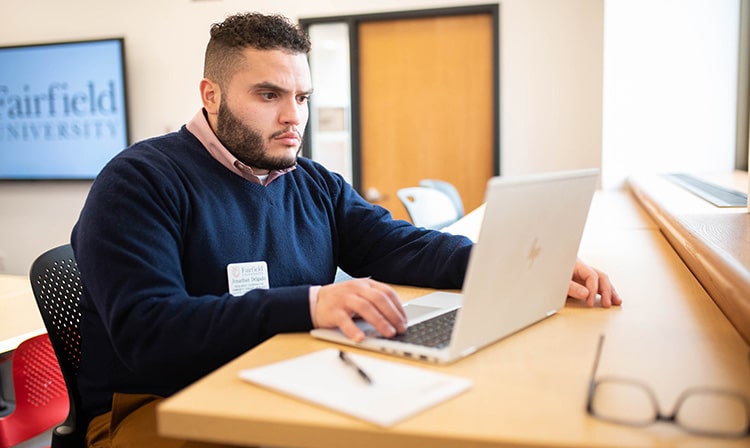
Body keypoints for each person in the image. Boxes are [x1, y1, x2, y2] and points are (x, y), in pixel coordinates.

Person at [72, 11, 621, 448]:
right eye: (269, 95)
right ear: (211, 96)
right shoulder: (140, 182)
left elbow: (399, 246)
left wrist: (513, 262)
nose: (294, 117)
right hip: (156, 407)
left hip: (284, 375)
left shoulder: (311, 182)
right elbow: (150, 333)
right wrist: (311, 304)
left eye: (302, 97)